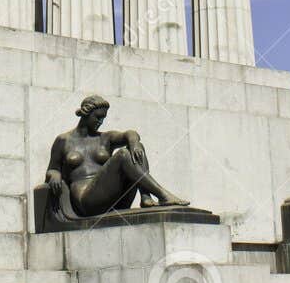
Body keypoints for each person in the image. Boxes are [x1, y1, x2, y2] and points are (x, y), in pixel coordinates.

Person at [45, 94, 188, 220]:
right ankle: (163, 196)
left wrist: (134, 142)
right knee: (123, 155)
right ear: (86, 113)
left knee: (137, 147)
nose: (100, 122)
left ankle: (146, 196)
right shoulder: (64, 140)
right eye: (98, 117)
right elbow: (52, 169)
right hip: (86, 200)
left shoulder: (105, 138)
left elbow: (130, 133)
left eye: (103, 118)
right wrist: (55, 175)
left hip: (113, 197)